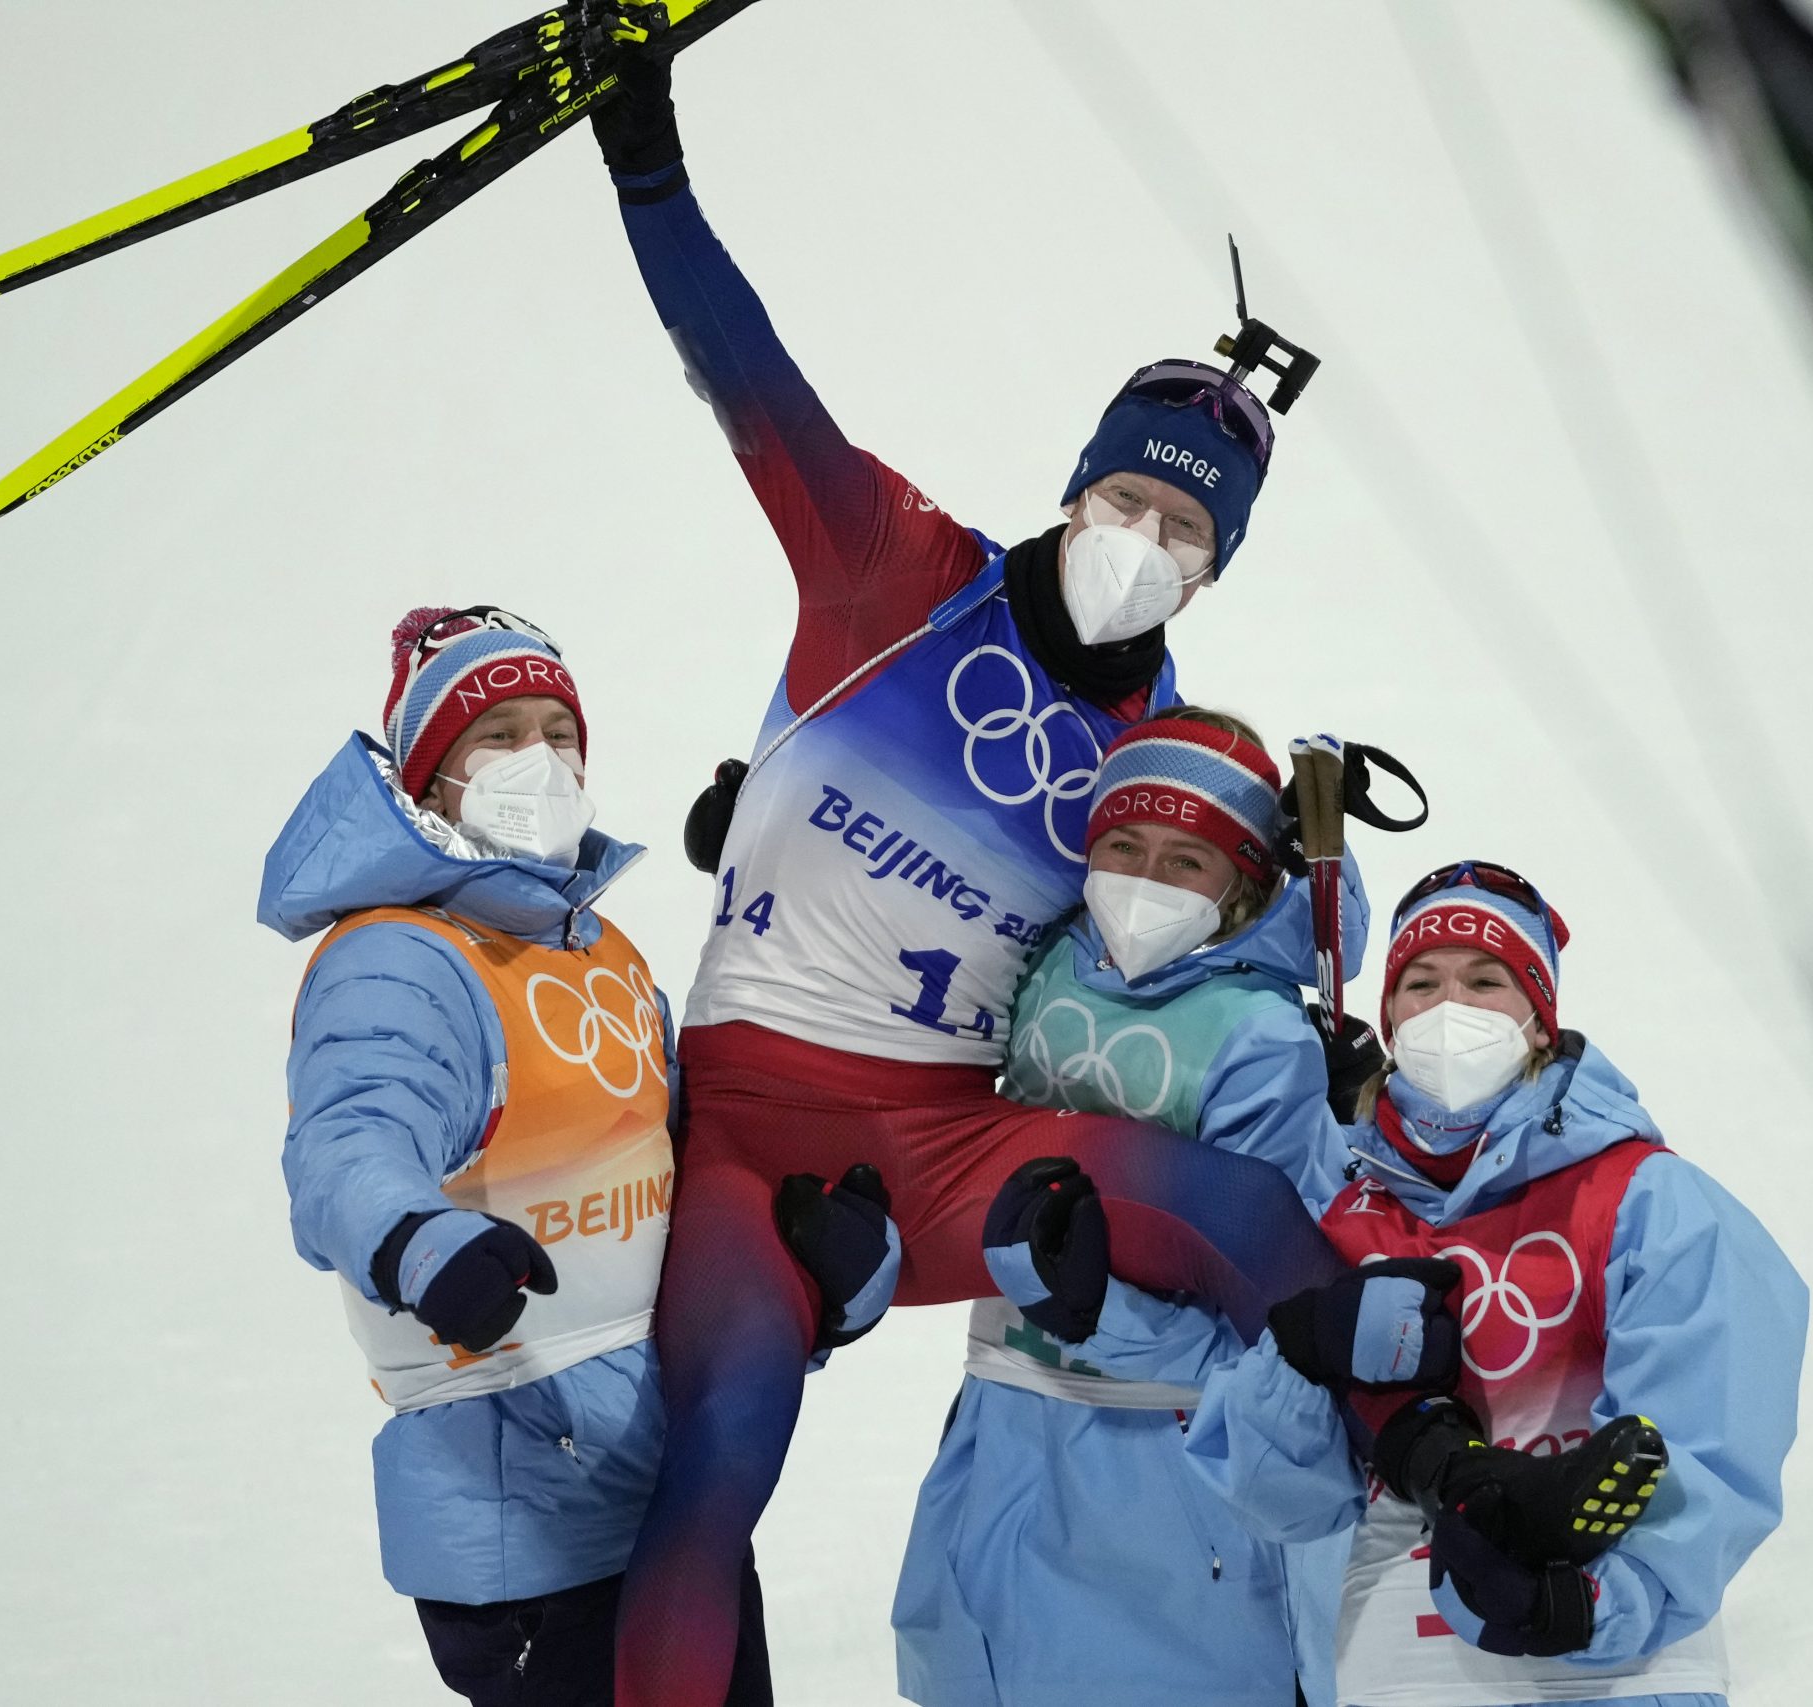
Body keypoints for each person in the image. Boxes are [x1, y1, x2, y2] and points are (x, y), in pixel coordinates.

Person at [584, 44, 1416, 1707]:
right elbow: (741, 370)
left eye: (1187, 539)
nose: (1144, 548)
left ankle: (1444, 1485)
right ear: (1074, 481)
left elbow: (1233, 925)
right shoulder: (894, 563)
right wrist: (646, 161)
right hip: (749, 1128)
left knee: (1238, 1214)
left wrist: (1332, 959)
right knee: (722, 1453)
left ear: (1218, 566)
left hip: (943, 1140)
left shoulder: (1172, 740)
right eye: (1125, 500)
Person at [261, 606, 898, 1705]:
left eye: (558, 732)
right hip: (529, 1528)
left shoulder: (598, 951)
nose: (539, 761)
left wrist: (800, 1276)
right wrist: (419, 1241)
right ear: (430, 778)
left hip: (670, 1492)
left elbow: (681, 1180)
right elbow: (347, 1143)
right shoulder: (401, 961)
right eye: (497, 736)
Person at [999, 860, 1810, 1706]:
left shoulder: (1647, 1198)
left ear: (1539, 1020)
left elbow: (1707, 1441)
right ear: (1388, 1017)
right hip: (1393, 1662)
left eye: (1486, 980)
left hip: (1615, 1668)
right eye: (1421, 982)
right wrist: (1300, 1348)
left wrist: (1588, 1603)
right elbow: (1277, 1493)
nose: (1449, 1005)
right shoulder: (1328, 1205)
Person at [892, 710, 1388, 1707]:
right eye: (1122, 845)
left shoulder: (1259, 1041)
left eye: (1184, 860)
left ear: (1243, 882)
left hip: (1169, 1485)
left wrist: (1096, 1312)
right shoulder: (1040, 969)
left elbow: (1274, 1340)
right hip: (1004, 1431)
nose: (1144, 880)